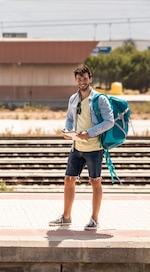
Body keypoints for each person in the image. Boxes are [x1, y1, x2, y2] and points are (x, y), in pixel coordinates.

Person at [49, 64, 114, 231]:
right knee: (69, 179)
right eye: (79, 79)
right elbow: (70, 119)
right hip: (76, 147)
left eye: (85, 78)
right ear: (76, 80)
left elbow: (109, 121)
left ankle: (94, 219)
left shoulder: (100, 99)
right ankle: (66, 217)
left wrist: (90, 132)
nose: (82, 81)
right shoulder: (73, 99)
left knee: (95, 181)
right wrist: (67, 130)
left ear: (90, 79)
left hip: (94, 148)